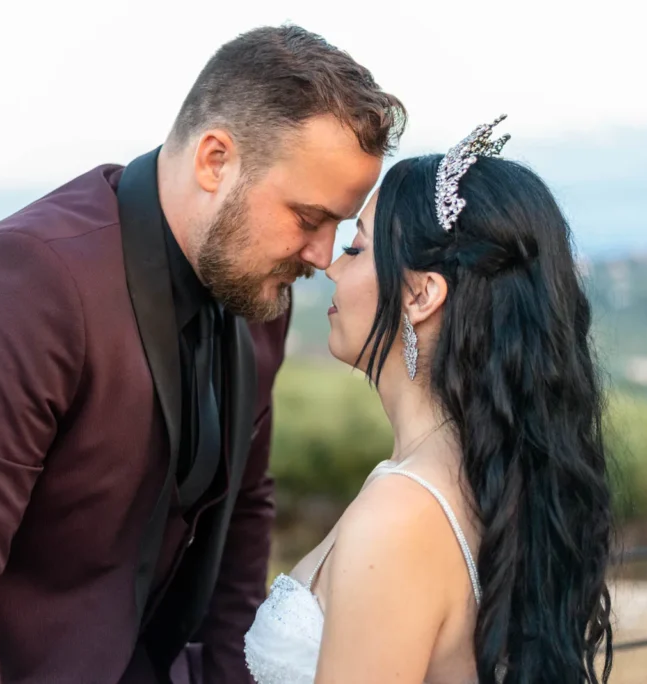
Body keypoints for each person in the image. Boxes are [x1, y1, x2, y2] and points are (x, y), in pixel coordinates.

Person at [0, 25, 405, 684]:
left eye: (339, 223)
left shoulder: (254, 297)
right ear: (215, 159)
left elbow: (241, 512)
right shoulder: (26, 282)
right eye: (308, 217)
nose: (321, 253)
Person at [244, 117, 614, 684]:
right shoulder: (474, 479)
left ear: (420, 294)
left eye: (358, 248)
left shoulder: (401, 514)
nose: (329, 265)